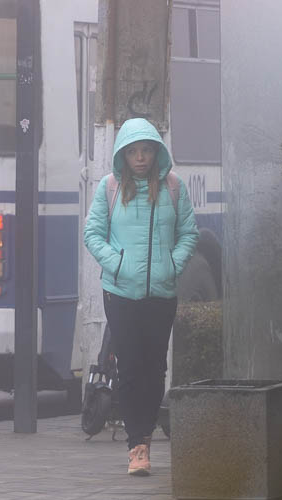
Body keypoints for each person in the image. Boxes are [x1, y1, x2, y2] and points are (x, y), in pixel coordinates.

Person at [83, 118, 199, 476]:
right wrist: (116, 264)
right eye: (133, 151)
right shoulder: (110, 188)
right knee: (131, 368)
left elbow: (189, 234)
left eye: (146, 150)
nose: (140, 158)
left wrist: (170, 266)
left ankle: (145, 437)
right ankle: (136, 446)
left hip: (161, 294)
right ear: (123, 154)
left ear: (155, 152)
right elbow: (93, 233)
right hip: (121, 294)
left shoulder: (174, 188)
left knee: (155, 368)